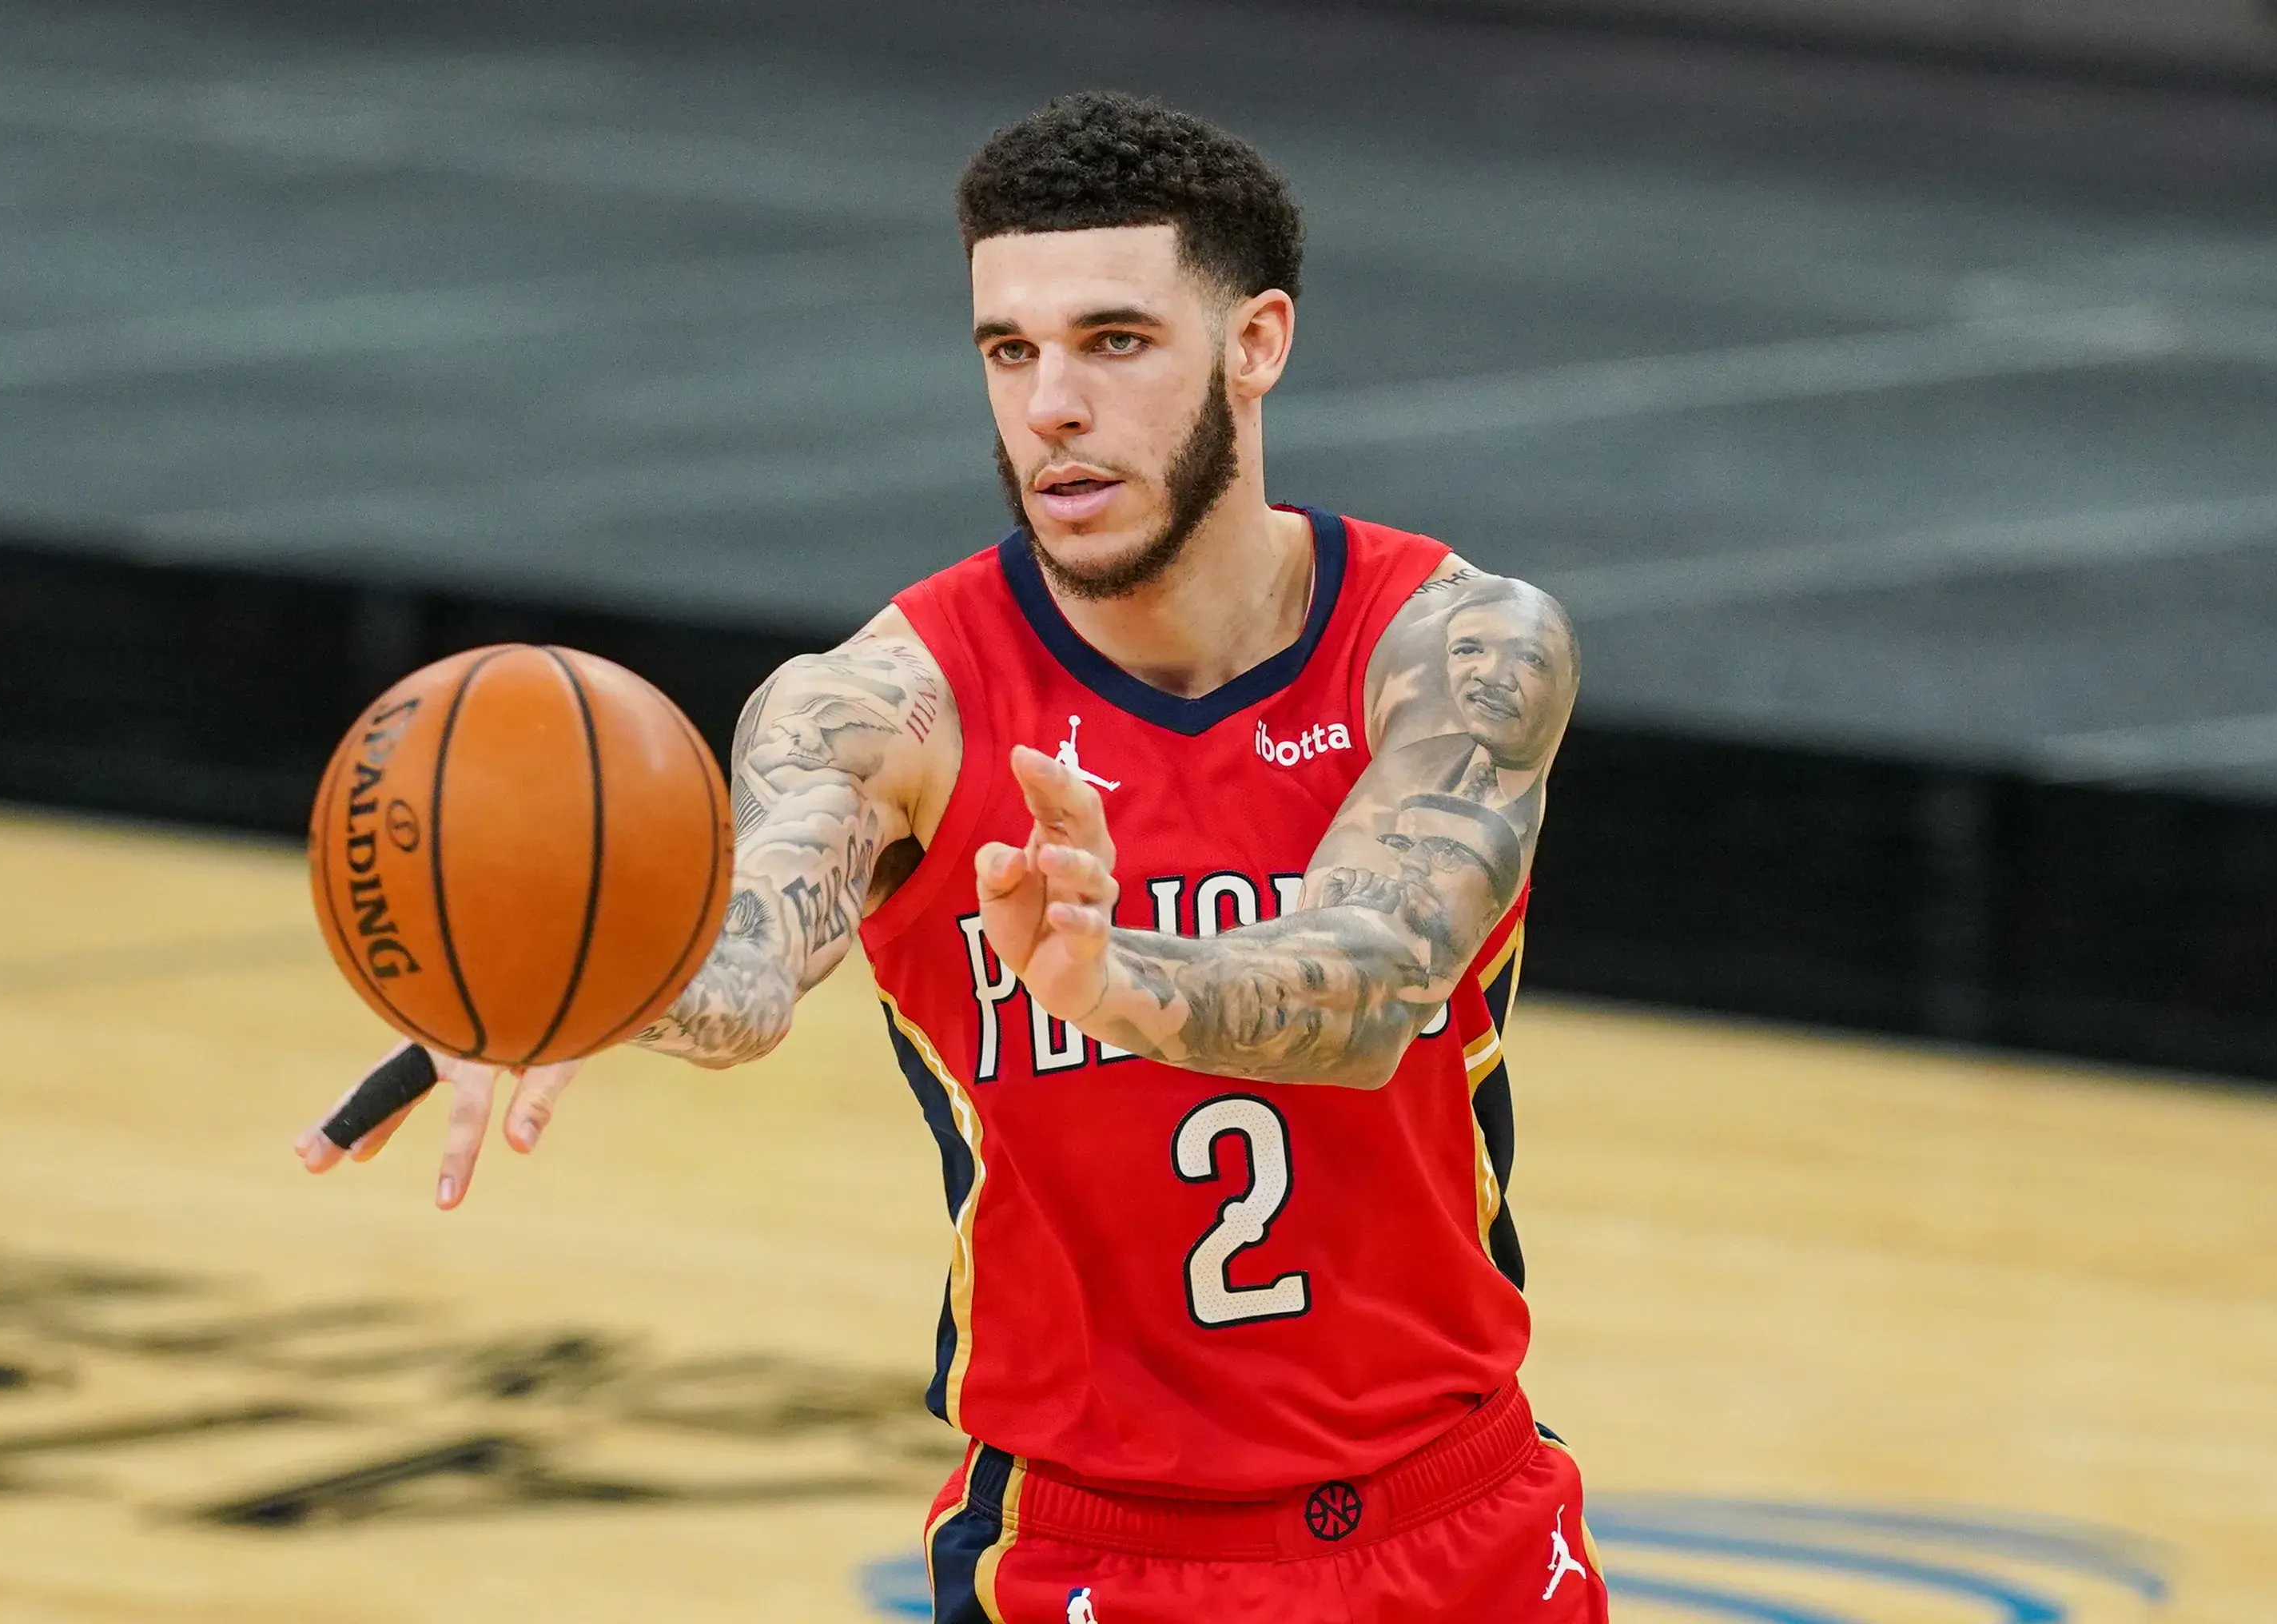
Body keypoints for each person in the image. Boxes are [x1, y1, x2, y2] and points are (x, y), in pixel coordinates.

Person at [293, 90, 1599, 1623]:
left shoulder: (1451, 646)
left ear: (1257, 346)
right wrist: (567, 983)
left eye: (1115, 342)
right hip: (1091, 1550)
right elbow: (744, 978)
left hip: (1461, 1531)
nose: (1052, 405)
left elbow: (1374, 989)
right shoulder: (882, 702)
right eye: (1010, 351)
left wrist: (1115, 981)